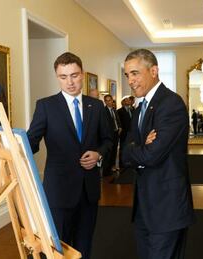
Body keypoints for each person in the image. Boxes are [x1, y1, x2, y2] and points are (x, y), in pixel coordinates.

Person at [26, 52, 113, 258]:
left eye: (74, 75)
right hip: (59, 191)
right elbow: (31, 141)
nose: (70, 82)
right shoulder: (45, 106)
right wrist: (14, 145)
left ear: (82, 75)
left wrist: (98, 154)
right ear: (57, 77)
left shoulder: (97, 106)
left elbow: (109, 140)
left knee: (84, 246)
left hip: (89, 190)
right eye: (63, 77)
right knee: (58, 247)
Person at [122, 49, 194, 259]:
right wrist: (138, 149)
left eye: (135, 73)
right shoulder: (139, 108)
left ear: (153, 71)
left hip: (167, 208)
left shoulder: (171, 104)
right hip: (144, 207)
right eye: (127, 75)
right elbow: (124, 154)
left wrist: (136, 149)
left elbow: (151, 155)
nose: (130, 81)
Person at [103, 94, 122, 176]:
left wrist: (120, 127)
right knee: (108, 152)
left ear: (112, 100)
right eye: (106, 100)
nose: (108, 102)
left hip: (116, 133)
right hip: (109, 135)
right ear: (105, 102)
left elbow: (117, 120)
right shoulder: (103, 111)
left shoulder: (114, 110)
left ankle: (113, 166)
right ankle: (106, 171)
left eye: (110, 100)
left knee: (114, 151)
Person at [117, 96, 133, 169]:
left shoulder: (132, 109)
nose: (128, 101)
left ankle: (130, 162)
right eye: (126, 100)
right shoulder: (119, 111)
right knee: (123, 149)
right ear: (123, 102)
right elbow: (119, 123)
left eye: (129, 100)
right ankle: (122, 164)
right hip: (124, 133)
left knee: (131, 148)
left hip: (131, 133)